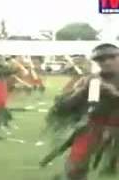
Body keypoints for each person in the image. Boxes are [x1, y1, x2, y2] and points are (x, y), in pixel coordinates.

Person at [47, 43, 119, 180]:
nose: (107, 62)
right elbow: (62, 108)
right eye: (101, 59)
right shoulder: (92, 81)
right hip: (94, 127)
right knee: (74, 168)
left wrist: (113, 93)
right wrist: (81, 92)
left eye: (112, 57)